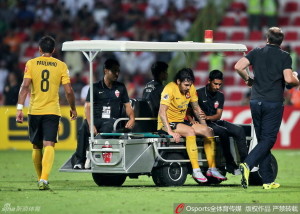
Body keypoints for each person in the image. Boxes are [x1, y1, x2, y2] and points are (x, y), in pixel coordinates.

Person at [234, 27, 300, 189]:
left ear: (267, 39)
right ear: (281, 41)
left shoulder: (256, 52)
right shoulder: (285, 56)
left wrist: (248, 80)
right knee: (269, 139)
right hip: (273, 102)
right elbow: (288, 79)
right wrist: (296, 80)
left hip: (256, 101)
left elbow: (238, 66)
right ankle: (248, 164)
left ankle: (267, 180)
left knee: (263, 140)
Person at [15, 35, 77, 190]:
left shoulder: (31, 63)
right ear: (54, 50)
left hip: (34, 110)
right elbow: (69, 91)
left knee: (36, 146)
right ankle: (44, 179)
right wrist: (73, 108)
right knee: (49, 143)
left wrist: (19, 108)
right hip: (52, 111)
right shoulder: (61, 65)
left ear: (39, 49)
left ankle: (40, 178)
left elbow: (24, 87)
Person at [158, 68, 227, 183]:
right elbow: (161, 112)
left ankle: (212, 168)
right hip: (166, 123)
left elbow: (196, 108)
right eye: (186, 85)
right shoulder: (169, 88)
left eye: (190, 85)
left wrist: (204, 127)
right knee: (190, 131)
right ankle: (196, 170)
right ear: (178, 81)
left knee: (209, 131)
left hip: (181, 122)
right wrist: (170, 131)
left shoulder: (191, 88)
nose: (188, 88)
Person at [73, 58, 135, 169]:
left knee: (108, 128)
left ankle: (92, 156)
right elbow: (87, 107)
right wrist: (91, 124)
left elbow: (128, 106)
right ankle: (79, 160)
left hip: (112, 120)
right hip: (96, 119)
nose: (117, 73)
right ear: (105, 71)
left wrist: (131, 118)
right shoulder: (95, 87)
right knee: (83, 127)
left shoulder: (120, 87)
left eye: (118, 71)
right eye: (114, 71)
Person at [186, 70, 248, 175]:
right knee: (223, 132)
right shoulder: (199, 93)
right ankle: (230, 164)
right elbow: (188, 111)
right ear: (209, 81)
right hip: (205, 124)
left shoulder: (220, 95)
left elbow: (218, 115)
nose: (217, 87)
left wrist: (207, 117)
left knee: (239, 130)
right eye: (215, 84)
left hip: (215, 121)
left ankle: (246, 163)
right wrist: (192, 121)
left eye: (220, 84)